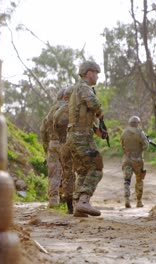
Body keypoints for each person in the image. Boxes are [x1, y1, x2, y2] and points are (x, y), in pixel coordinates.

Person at [66, 61, 104, 217]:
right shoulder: (84, 87)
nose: (97, 77)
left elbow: (81, 113)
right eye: (96, 73)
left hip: (73, 135)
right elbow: (93, 103)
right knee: (96, 168)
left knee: (82, 170)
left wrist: (96, 128)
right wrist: (100, 112)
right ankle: (84, 201)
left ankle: (78, 206)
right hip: (82, 136)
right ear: (89, 73)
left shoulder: (76, 89)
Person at [40, 89, 65, 207]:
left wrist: (46, 148)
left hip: (52, 144)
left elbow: (43, 131)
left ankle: (53, 199)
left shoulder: (50, 112)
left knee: (53, 173)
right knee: (68, 171)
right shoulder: (67, 109)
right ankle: (67, 198)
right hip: (65, 143)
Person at [53, 87, 75, 214]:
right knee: (80, 171)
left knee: (67, 174)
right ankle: (81, 201)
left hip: (63, 144)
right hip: (75, 143)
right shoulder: (75, 109)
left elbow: (55, 128)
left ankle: (69, 206)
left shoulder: (57, 112)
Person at [120, 116, 149, 208]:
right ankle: (139, 201)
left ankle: (127, 200)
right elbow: (146, 147)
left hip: (126, 160)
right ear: (137, 123)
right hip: (137, 161)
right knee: (139, 180)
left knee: (126, 181)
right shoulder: (140, 133)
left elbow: (122, 145)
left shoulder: (124, 132)